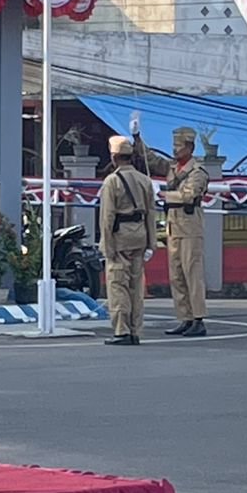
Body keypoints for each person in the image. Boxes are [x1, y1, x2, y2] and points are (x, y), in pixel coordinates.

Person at [98, 135, 154, 347]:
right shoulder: (144, 180)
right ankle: (136, 329)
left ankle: (122, 330)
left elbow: (107, 217)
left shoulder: (112, 181)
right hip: (140, 235)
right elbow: (151, 212)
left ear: (114, 157)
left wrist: (106, 245)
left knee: (117, 284)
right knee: (136, 286)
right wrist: (151, 243)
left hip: (120, 236)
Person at [161, 127, 210, 337]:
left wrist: (165, 195)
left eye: (178, 146)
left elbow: (189, 195)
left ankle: (198, 318)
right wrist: (137, 139)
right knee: (177, 276)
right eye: (173, 146)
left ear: (190, 147)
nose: (174, 150)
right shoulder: (174, 168)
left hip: (190, 228)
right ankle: (185, 317)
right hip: (174, 227)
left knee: (192, 274)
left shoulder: (197, 172)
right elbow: (151, 160)